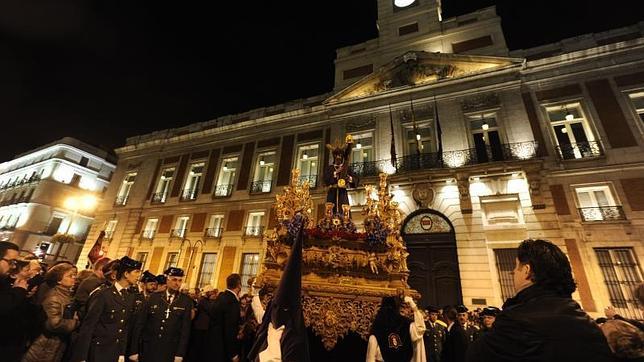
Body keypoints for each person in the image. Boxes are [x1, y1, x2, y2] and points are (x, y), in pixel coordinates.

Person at [466, 239, 616, 362]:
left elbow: (476, 355)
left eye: (516, 267)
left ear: (526, 270)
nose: (512, 272)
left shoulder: (516, 322)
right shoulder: (587, 324)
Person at [70, 256, 142, 362]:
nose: (139, 275)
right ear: (126, 274)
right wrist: (81, 356)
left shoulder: (129, 297)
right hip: (96, 351)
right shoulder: (103, 294)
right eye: (136, 272)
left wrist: (121, 353)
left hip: (113, 352)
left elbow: (123, 328)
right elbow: (88, 326)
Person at [130, 267, 191, 362]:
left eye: (180, 280)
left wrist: (180, 353)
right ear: (167, 280)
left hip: (170, 349)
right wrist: (134, 350)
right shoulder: (154, 297)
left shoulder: (185, 301)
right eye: (174, 280)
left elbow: (185, 330)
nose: (177, 283)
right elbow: (140, 324)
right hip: (149, 347)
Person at [23, 263, 80, 362]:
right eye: (70, 276)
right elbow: (54, 324)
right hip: (44, 348)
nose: (74, 278)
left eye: (75, 275)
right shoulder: (55, 297)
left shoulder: (66, 295)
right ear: (58, 280)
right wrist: (75, 322)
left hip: (54, 346)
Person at [0, 242, 38, 361]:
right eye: (11, 262)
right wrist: (19, 292)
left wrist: (24, 296)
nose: (13, 267)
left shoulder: (5, 280)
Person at [366, 295, 427, 362]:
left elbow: (370, 357)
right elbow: (420, 328)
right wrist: (413, 306)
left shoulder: (377, 328)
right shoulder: (406, 324)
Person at [208, 273, 242, 362]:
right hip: (224, 349)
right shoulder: (232, 301)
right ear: (239, 285)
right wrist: (233, 353)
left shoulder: (221, 297)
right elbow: (230, 329)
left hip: (213, 344)